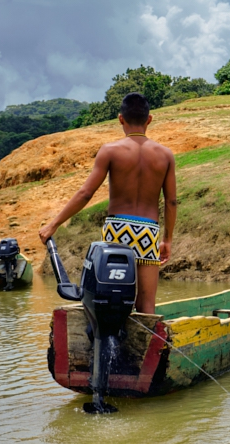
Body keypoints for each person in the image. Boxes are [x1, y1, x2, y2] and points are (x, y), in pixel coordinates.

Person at [38, 93, 177, 314]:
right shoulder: (165, 155)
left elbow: (86, 193)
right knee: (147, 304)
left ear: (120, 119)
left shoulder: (110, 151)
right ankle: (146, 347)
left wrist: (54, 224)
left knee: (111, 299)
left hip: (117, 230)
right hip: (148, 231)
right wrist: (167, 239)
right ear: (149, 119)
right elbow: (171, 201)